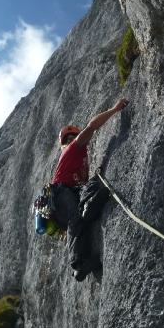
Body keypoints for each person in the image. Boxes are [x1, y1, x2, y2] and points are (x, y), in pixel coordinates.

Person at [52, 98, 129, 281]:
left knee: (91, 187)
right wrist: (115, 109)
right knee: (76, 218)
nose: (74, 140)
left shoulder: (80, 160)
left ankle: (89, 207)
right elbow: (92, 126)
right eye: (71, 138)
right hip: (61, 192)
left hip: (72, 193)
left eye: (73, 137)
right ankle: (78, 265)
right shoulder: (72, 149)